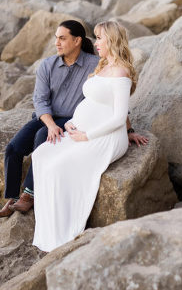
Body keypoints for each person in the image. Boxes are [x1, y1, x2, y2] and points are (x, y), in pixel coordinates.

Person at [0, 19, 147, 218]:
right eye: (56, 38)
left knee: (42, 138)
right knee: (13, 148)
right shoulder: (47, 65)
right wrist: (49, 124)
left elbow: (112, 98)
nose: (57, 43)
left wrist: (129, 130)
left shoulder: (95, 63)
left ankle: (29, 195)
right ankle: (11, 199)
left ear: (77, 41)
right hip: (46, 116)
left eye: (62, 38)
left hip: (71, 119)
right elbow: (39, 100)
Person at [31, 20, 138, 252]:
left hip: (106, 137)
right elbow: (91, 102)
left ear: (111, 40)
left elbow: (119, 117)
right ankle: (48, 228)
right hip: (82, 130)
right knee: (42, 156)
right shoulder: (103, 66)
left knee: (58, 168)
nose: (96, 42)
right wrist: (72, 123)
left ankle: (64, 231)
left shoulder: (121, 71)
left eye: (100, 38)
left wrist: (88, 135)